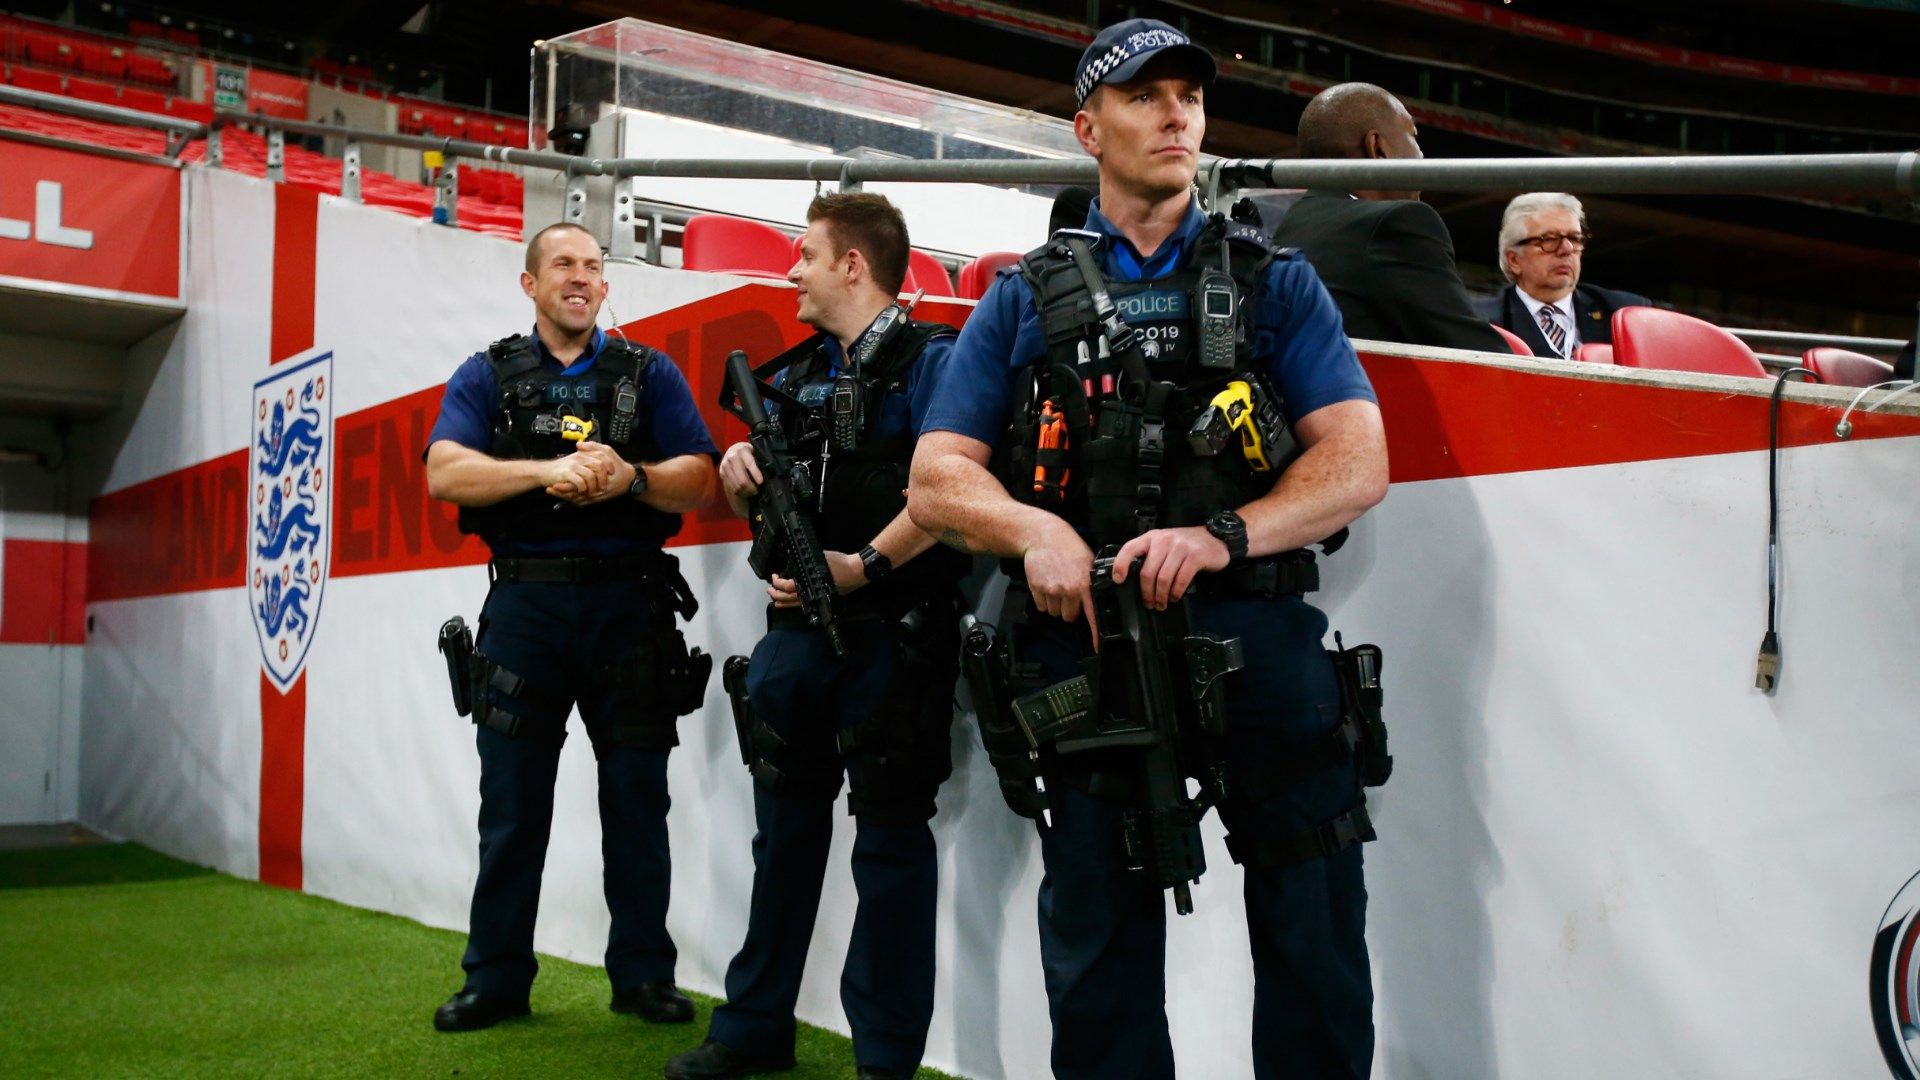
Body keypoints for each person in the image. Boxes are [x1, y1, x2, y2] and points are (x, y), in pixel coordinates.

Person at [909, 19, 1390, 1080]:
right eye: (1144, 97)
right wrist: (1033, 528)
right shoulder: (1022, 296)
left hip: (1257, 635)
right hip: (1090, 649)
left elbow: (1356, 463)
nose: (1176, 115)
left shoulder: (1277, 281)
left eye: (1190, 97)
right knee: (1098, 947)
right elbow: (938, 478)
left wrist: (1224, 535)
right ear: (1089, 126)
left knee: (1316, 932)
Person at [664, 194, 970, 1080]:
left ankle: (884, 1057)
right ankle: (755, 1025)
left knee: (890, 849)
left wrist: (865, 566)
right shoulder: (791, 376)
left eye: (806, 255)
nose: (791, 271)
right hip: (795, 637)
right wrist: (735, 475)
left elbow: (950, 494)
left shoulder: (934, 365)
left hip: (896, 635)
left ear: (854, 265)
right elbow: (755, 501)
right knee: (782, 840)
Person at [424, 222, 719, 1033]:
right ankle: (495, 980)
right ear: (531, 284)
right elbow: (443, 469)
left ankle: (643, 977)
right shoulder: (485, 374)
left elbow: (697, 477)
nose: (581, 278)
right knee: (513, 804)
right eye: (563, 265)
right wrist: (547, 470)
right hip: (526, 607)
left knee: (637, 799)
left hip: (630, 607)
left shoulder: (648, 373)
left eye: (593, 266)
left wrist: (631, 478)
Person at [1271, 82, 1512, 355]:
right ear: (1378, 147)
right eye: (1413, 136)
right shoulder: (1397, 223)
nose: (1421, 154)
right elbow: (1479, 353)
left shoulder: (1291, 223)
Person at [1480, 192, 1649, 359]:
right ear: (1514, 260)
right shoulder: (1481, 323)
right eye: (1549, 239)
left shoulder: (1625, 314)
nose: (1567, 249)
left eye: (1574, 238)